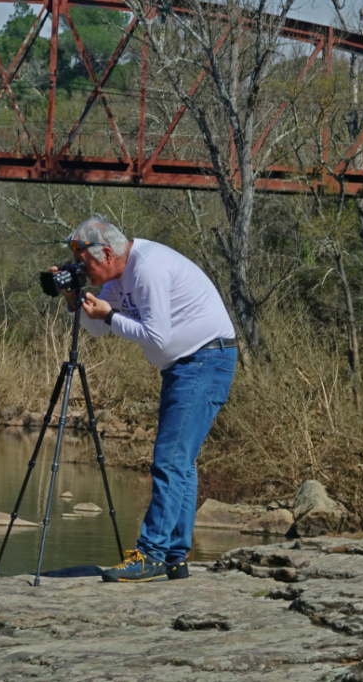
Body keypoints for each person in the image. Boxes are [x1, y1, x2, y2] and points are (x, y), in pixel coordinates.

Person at [54, 216, 237, 583]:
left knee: (169, 461)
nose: (83, 270)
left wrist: (112, 315)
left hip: (204, 360)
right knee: (181, 463)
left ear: (106, 252)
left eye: (85, 263)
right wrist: (75, 298)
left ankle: (150, 555)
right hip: (188, 365)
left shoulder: (147, 269)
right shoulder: (117, 275)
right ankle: (174, 557)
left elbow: (156, 337)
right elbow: (96, 328)